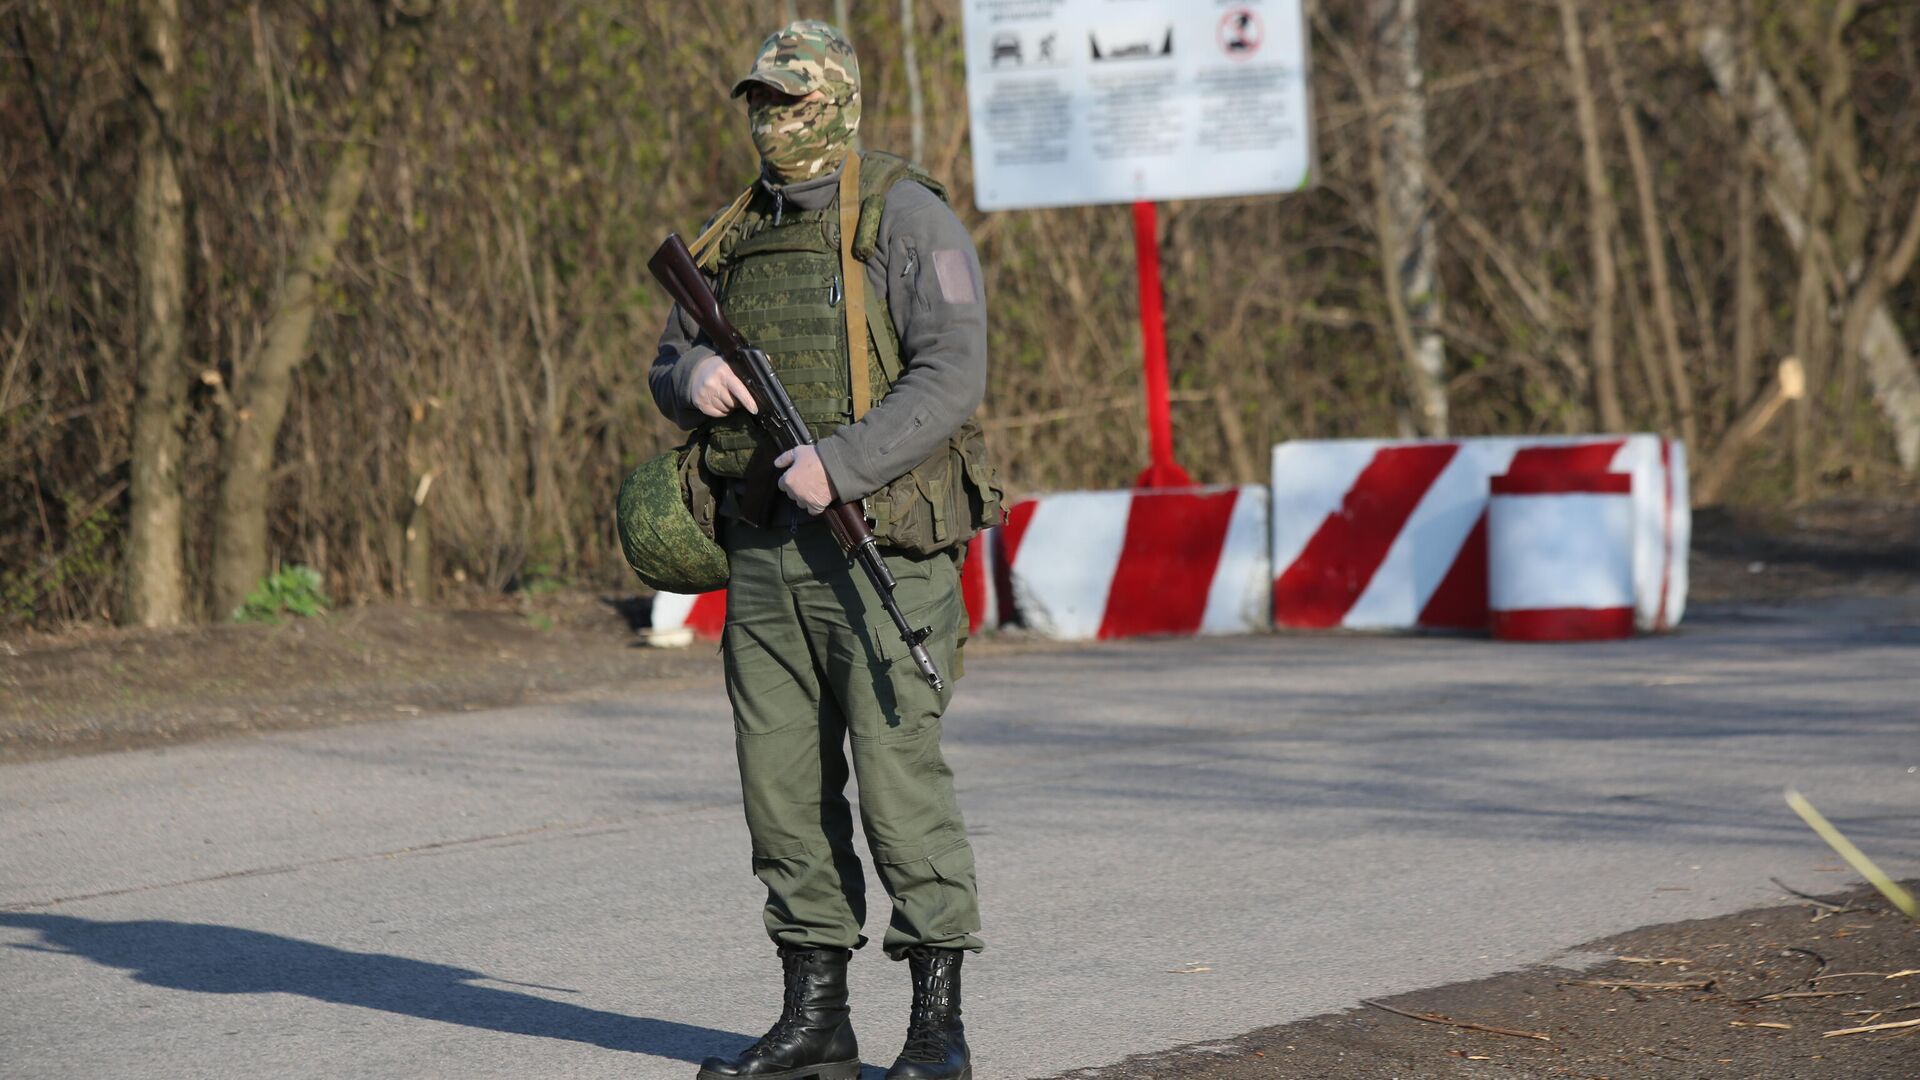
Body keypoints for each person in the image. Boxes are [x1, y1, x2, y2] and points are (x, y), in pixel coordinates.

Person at [649, 20, 998, 1080]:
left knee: (900, 790)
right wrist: (688, 382)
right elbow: (669, 357)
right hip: (764, 559)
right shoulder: (735, 230)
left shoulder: (909, 215)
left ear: (839, 102)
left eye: (793, 101)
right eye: (761, 100)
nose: (774, 121)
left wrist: (840, 465)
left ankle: (937, 1026)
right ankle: (817, 1020)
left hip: (882, 549)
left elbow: (952, 375)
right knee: (782, 791)